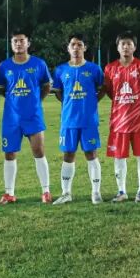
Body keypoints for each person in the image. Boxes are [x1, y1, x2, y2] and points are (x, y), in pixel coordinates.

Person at [0, 30, 53, 204]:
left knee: (39, 151)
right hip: (11, 117)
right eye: (15, 41)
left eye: (22, 40)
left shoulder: (39, 64)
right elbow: (1, 89)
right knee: (9, 153)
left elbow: (46, 85)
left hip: (33, 116)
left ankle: (46, 191)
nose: (18, 43)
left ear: (28, 43)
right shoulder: (4, 66)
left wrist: (36, 101)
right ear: (11, 44)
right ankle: (9, 193)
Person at [50, 34, 105, 204]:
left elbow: (102, 89)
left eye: (79, 44)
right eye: (73, 44)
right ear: (68, 48)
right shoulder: (60, 70)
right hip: (68, 120)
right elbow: (58, 92)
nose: (76, 48)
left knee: (91, 154)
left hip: (88, 120)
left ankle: (96, 192)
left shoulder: (94, 69)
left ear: (84, 48)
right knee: (68, 154)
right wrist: (68, 103)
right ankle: (66, 193)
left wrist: (91, 102)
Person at [103, 32, 140, 203]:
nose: (126, 47)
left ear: (135, 47)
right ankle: (121, 191)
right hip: (119, 121)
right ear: (118, 47)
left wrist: (138, 105)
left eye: (129, 44)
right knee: (119, 156)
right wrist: (123, 103)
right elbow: (110, 91)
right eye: (122, 44)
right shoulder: (110, 68)